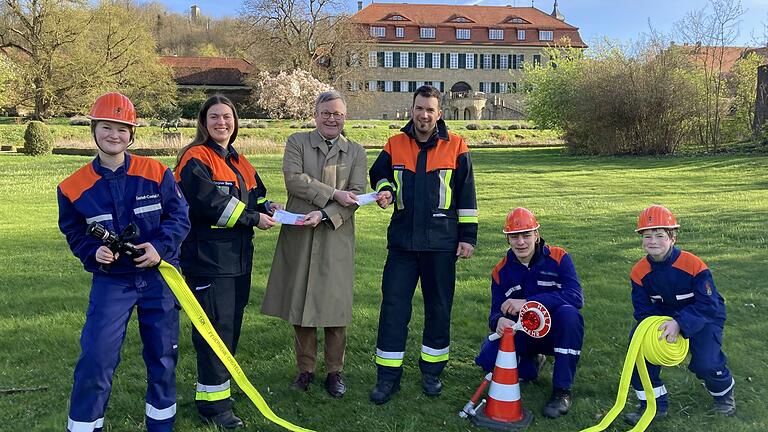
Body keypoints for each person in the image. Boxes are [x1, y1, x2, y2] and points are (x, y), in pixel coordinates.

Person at [58, 92, 190, 432]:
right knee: (96, 357)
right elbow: (74, 232)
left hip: (158, 278)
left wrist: (160, 247)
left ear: (132, 134)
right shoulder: (72, 187)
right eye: (106, 127)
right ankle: (84, 426)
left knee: (162, 357)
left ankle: (160, 426)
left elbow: (179, 218)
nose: (114, 135)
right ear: (94, 129)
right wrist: (92, 253)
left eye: (122, 128)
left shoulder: (157, 172)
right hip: (112, 281)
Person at [174, 95, 279, 429]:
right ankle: (217, 407)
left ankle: (213, 396)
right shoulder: (195, 158)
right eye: (215, 117)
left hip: (237, 260)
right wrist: (253, 218)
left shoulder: (239, 159)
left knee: (228, 328)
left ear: (235, 123)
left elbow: (256, 194)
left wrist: (268, 206)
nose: (222, 123)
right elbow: (209, 204)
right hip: (207, 259)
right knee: (214, 331)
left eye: (228, 117)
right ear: (203, 123)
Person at [368, 85, 478, 405]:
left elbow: (466, 196)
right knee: (393, 309)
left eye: (430, 109)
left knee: (438, 310)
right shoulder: (395, 143)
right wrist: (386, 189)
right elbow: (379, 174)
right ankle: (388, 377)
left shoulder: (456, 146)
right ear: (412, 109)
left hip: (441, 244)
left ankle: (432, 372)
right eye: (419, 108)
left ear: (439, 113)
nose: (424, 115)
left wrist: (467, 237)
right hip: (402, 244)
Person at [262, 90, 367, 397]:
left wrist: (324, 214)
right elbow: (293, 180)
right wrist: (334, 194)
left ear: (345, 117)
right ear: (315, 115)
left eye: (337, 114)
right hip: (299, 234)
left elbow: (356, 195)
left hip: (336, 234)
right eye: (326, 113)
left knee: (334, 308)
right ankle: (305, 369)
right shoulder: (297, 142)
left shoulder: (357, 151)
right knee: (302, 304)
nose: (331, 119)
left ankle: (335, 371)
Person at [624, 205, 735, 425]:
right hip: (664, 318)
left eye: (659, 235)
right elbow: (643, 309)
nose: (653, 241)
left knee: (706, 362)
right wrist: (657, 327)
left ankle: (724, 395)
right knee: (639, 351)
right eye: (647, 236)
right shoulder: (639, 271)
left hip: (704, 316)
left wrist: (680, 323)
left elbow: (708, 303)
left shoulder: (693, 264)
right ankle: (653, 405)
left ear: (673, 237)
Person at [474, 207, 584, 419]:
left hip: (555, 332)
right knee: (487, 360)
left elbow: (576, 297)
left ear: (537, 234)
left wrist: (527, 302)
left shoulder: (560, 258)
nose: (521, 242)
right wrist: (499, 321)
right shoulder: (500, 271)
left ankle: (562, 391)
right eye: (514, 237)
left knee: (570, 315)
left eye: (526, 235)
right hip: (522, 333)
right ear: (508, 239)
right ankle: (532, 363)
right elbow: (494, 313)